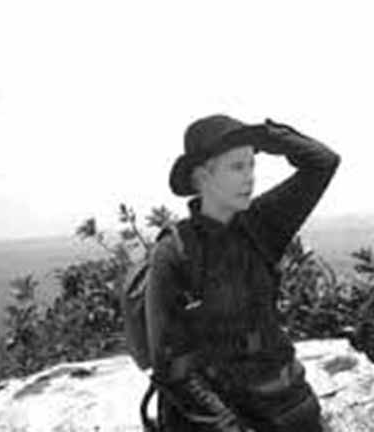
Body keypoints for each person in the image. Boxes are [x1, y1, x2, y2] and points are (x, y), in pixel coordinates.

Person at [146, 114, 341, 431]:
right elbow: (173, 368)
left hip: (286, 402)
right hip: (223, 413)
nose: (250, 177)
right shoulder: (174, 252)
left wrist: (264, 135)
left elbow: (322, 162)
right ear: (202, 177)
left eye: (252, 165)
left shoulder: (261, 224)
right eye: (237, 167)